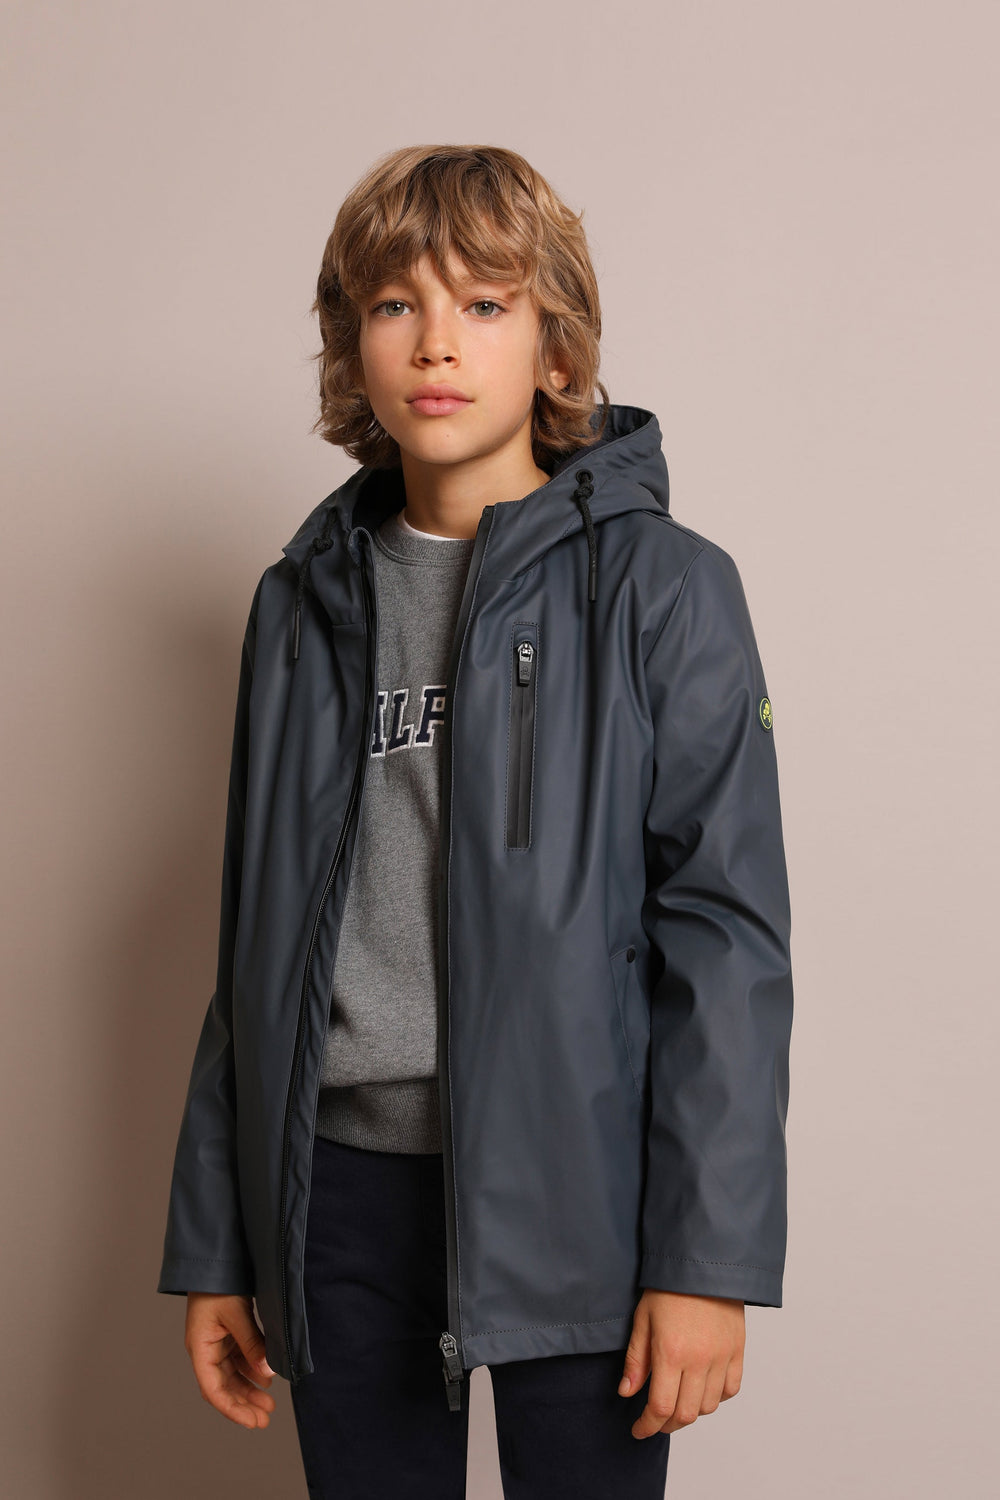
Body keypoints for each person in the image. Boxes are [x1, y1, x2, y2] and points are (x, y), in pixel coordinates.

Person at [157, 143, 794, 1499]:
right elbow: (255, 936)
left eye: (485, 303)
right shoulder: (301, 605)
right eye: (397, 304)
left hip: (582, 1187)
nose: (436, 342)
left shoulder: (666, 591)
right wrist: (221, 1243)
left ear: (555, 349)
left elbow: (727, 939)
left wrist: (706, 1259)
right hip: (338, 1195)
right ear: (355, 344)